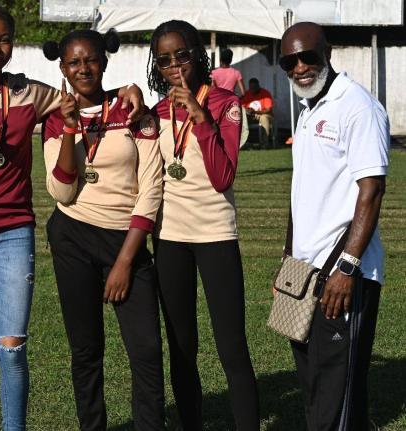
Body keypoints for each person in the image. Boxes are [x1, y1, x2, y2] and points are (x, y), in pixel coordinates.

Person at [0, 5, 145, 430]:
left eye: (3, 38)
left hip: (14, 233)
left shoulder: (29, 92)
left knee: (12, 346)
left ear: (12, 44)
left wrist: (126, 89)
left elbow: (83, 93)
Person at [42, 29, 165, 430]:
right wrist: (69, 130)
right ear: (62, 68)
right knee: (86, 350)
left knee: (146, 349)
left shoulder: (133, 111)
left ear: (105, 62)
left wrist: (126, 260)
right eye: (74, 62)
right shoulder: (54, 121)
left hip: (125, 240)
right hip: (73, 236)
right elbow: (62, 191)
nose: (83, 69)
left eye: (90, 60)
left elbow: (151, 188)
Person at [147, 20, 260, 431]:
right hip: (170, 238)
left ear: (198, 54)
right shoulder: (158, 111)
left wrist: (200, 118)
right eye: (164, 59)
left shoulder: (226, 102)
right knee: (182, 347)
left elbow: (222, 177)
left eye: (181, 54)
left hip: (215, 235)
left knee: (231, 347)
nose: (174, 65)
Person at [278, 22, 389, 431]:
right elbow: (302, 191)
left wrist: (346, 268)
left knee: (334, 389)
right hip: (300, 271)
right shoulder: (307, 109)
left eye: (309, 56)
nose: (301, 67)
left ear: (329, 52)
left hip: (343, 272)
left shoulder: (357, 106)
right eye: (290, 61)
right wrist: (287, 261)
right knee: (312, 381)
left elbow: (372, 190)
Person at [240, 78, 274, 148]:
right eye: (251, 87)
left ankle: (264, 144)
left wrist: (255, 111)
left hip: (263, 115)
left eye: (254, 87)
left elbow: (268, 110)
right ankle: (243, 144)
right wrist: (247, 110)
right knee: (241, 118)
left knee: (264, 118)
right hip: (251, 116)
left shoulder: (265, 93)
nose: (253, 89)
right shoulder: (247, 94)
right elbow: (242, 107)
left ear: (258, 86)